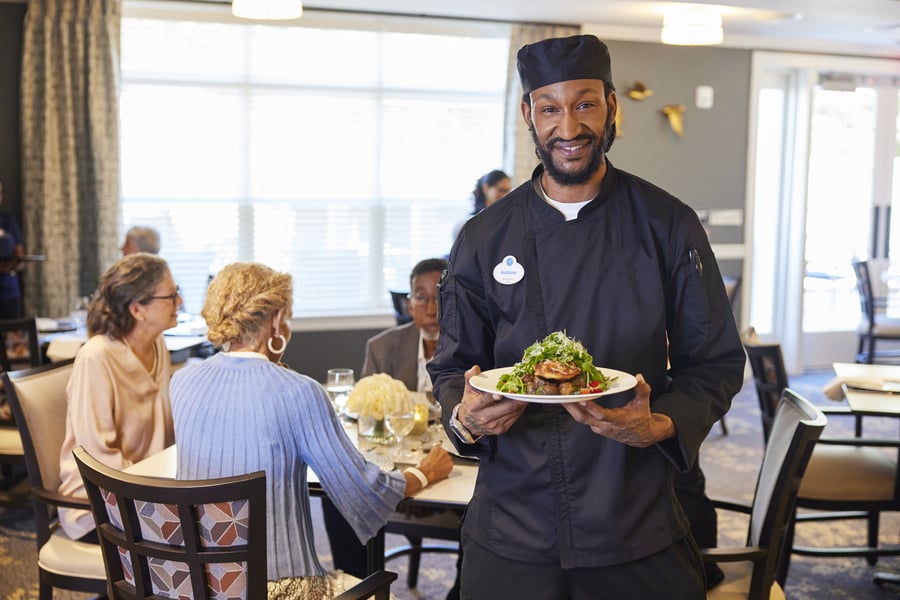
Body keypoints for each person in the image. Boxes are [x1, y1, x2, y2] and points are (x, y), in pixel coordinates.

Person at [427, 34, 745, 599]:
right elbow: (454, 367)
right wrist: (466, 416)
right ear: (528, 113)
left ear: (612, 105)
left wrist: (661, 424)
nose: (568, 126)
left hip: (634, 517)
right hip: (512, 526)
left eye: (584, 103)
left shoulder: (668, 225)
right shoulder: (483, 237)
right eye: (549, 107)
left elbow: (715, 361)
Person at [170, 262, 454, 599]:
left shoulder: (182, 382)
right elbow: (361, 489)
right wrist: (424, 474)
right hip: (279, 589)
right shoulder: (299, 392)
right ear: (276, 319)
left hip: (196, 582)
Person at [322, 258, 464, 598]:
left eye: (441, 297)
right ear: (408, 303)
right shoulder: (383, 347)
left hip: (457, 471)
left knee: (491, 511)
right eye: (420, 297)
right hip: (398, 470)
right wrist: (403, 483)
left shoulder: (476, 348)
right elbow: (367, 429)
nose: (431, 308)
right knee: (336, 497)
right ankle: (360, 587)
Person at [58, 253, 180, 541]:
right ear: (138, 309)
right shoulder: (96, 358)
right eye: (172, 295)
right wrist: (160, 498)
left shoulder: (157, 345)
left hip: (148, 489)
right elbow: (98, 458)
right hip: (101, 503)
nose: (180, 302)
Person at [451, 170, 512, 241]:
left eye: (508, 191)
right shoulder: (466, 225)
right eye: (501, 190)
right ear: (486, 188)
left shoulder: (508, 221)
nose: (506, 195)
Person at [0, 177, 26, 319]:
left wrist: (13, 265)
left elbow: (20, 258)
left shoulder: (8, 220)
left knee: (14, 337)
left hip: (9, 293)